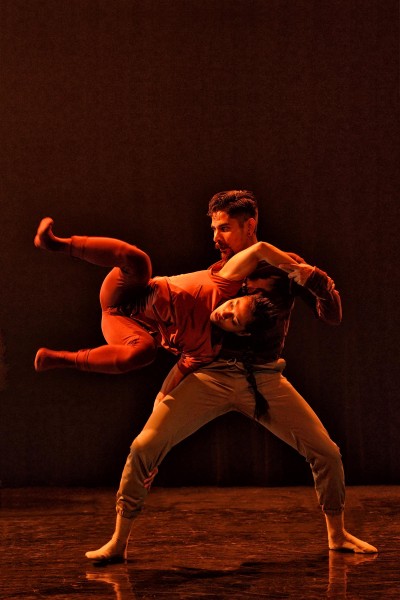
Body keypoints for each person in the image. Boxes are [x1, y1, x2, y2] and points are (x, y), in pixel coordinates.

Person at [84, 190, 377, 564]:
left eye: (223, 228)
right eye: (213, 229)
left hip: (265, 378)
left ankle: (337, 535)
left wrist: (318, 281)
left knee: (327, 453)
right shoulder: (217, 274)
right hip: (211, 376)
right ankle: (118, 541)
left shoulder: (282, 266)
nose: (215, 237)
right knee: (144, 447)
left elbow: (331, 315)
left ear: (249, 225)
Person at [34, 217, 294, 399]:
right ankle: (56, 243)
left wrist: (160, 405)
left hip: (127, 327)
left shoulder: (205, 349)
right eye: (233, 305)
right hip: (127, 291)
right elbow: (260, 249)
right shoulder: (225, 283)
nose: (225, 312)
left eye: (233, 320)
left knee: (145, 351)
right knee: (140, 262)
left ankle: (61, 359)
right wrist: (304, 273)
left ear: (240, 332)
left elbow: (175, 375)